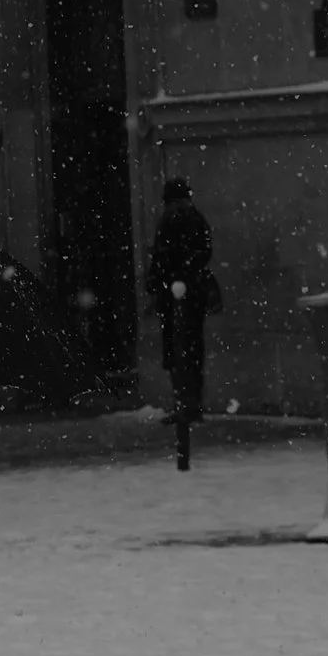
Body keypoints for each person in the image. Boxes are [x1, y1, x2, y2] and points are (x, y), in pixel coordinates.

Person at [145, 176, 220, 471]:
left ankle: (185, 404)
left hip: (179, 293)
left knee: (180, 348)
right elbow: (199, 253)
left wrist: (164, 279)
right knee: (187, 347)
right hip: (185, 291)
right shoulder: (191, 219)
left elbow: (167, 256)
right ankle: (188, 404)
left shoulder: (175, 220)